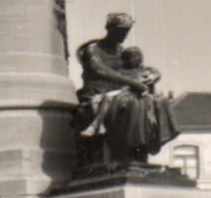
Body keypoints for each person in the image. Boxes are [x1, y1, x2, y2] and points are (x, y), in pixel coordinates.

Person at [73, 15, 178, 167]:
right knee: (132, 103)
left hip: (122, 92)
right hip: (99, 93)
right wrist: (132, 82)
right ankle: (131, 153)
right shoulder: (93, 49)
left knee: (157, 101)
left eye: (126, 32)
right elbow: (100, 70)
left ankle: (148, 146)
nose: (123, 35)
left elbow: (139, 67)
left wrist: (155, 75)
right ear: (109, 29)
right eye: (120, 31)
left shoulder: (123, 51)